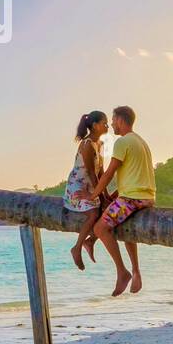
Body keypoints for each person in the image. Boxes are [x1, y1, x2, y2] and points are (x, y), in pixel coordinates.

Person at [88, 105, 155, 297]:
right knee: (124, 228)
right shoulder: (140, 141)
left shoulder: (122, 142)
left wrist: (93, 196)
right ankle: (136, 272)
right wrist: (113, 195)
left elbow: (108, 174)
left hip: (132, 199)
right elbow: (136, 177)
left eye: (113, 119)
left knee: (100, 228)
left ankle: (122, 272)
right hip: (146, 197)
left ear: (120, 120)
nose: (111, 124)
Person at [63, 110, 109, 270]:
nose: (107, 125)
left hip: (91, 185)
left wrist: (106, 194)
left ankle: (91, 241)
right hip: (78, 186)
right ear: (95, 126)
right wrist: (100, 196)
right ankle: (77, 247)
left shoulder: (100, 144)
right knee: (94, 213)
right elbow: (90, 172)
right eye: (104, 123)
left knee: (108, 209)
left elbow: (100, 171)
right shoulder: (87, 144)